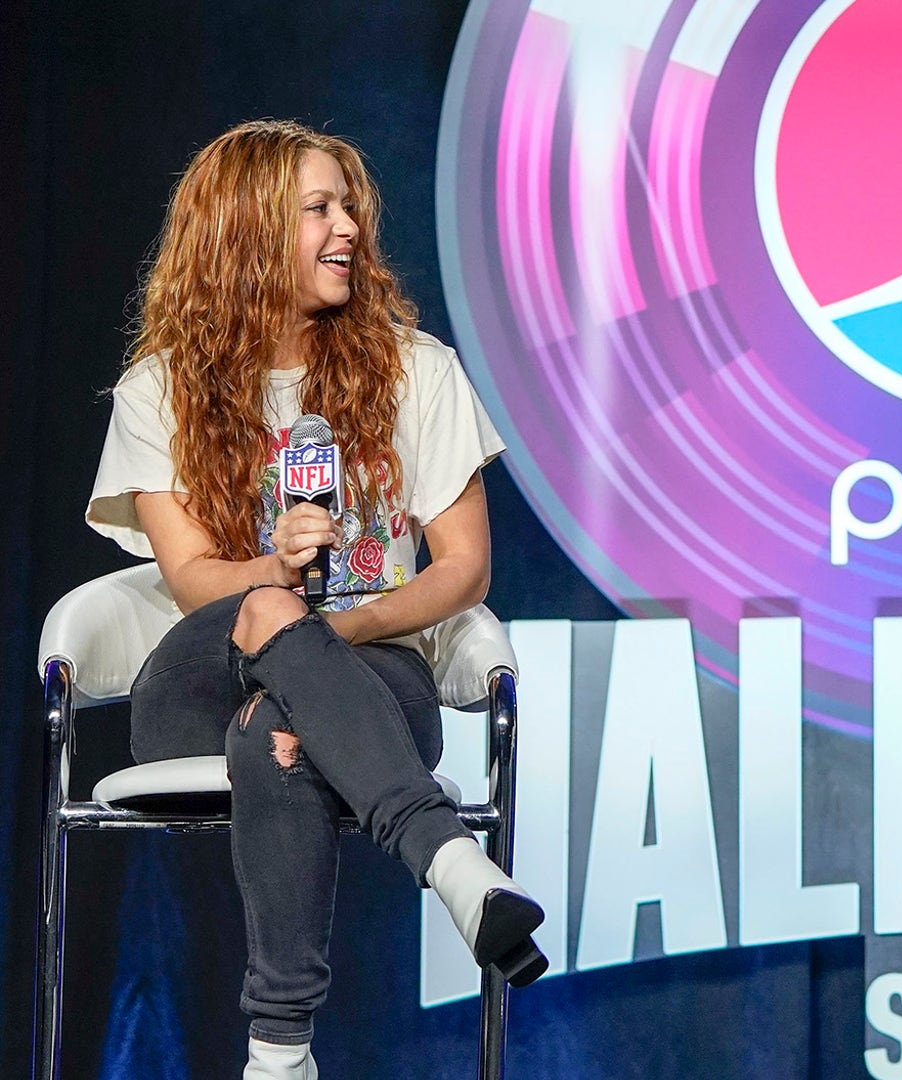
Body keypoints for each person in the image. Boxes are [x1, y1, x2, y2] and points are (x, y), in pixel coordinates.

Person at [86, 120, 546, 1079]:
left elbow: (463, 569)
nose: (348, 228)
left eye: (349, 207)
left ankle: (280, 1053)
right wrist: (273, 573)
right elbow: (191, 582)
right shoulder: (158, 390)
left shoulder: (417, 370)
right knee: (259, 623)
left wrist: (340, 624)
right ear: (246, 231)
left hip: (371, 676)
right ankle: (452, 864)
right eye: (318, 209)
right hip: (196, 685)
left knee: (278, 736)